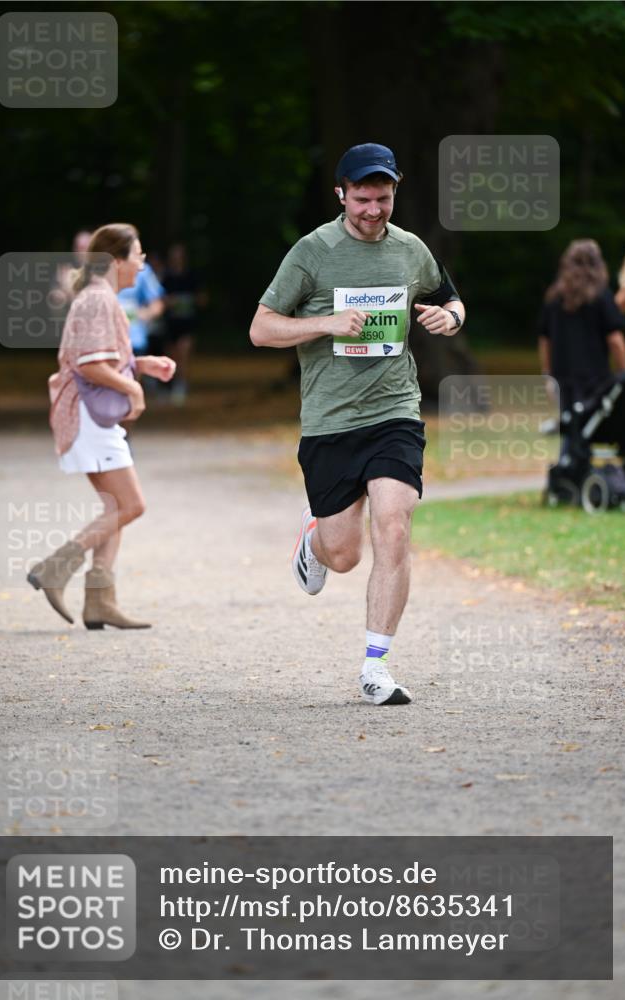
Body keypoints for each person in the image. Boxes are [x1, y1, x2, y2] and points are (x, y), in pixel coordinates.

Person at [249, 143, 465, 707]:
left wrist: (450, 317)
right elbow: (261, 329)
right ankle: (312, 537)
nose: (374, 210)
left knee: (393, 526)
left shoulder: (411, 250)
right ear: (341, 193)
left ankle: (376, 666)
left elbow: (450, 298)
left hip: (395, 411)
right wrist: (326, 323)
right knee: (343, 555)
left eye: (384, 198)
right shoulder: (312, 252)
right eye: (363, 198)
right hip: (330, 421)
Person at [27, 223, 176, 628]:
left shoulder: (101, 298)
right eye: (138, 255)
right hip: (90, 418)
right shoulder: (98, 300)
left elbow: (101, 358)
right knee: (131, 505)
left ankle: (99, 602)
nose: (142, 264)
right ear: (115, 261)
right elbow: (90, 365)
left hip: (91, 416)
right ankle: (56, 567)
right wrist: (134, 387)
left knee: (115, 507)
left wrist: (144, 365)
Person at [538, 239, 625, 424]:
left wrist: (547, 374)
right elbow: (616, 340)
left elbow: (544, 339)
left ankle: (571, 452)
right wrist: (623, 374)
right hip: (596, 381)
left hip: (562, 380)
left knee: (572, 428)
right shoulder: (602, 297)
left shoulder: (554, 297)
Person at [161, 242, 208, 403]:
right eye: (174, 256)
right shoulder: (165, 277)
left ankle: (181, 386)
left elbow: (202, 299)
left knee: (184, 353)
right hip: (170, 323)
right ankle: (171, 385)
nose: (177, 259)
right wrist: (169, 302)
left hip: (188, 323)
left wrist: (191, 300)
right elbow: (158, 300)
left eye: (180, 256)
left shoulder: (192, 276)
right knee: (172, 357)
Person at [118, 258, 166, 356]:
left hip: (134, 342)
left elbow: (158, 304)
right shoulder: (98, 268)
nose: (141, 256)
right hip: (104, 345)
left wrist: (145, 314)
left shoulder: (143, 269)